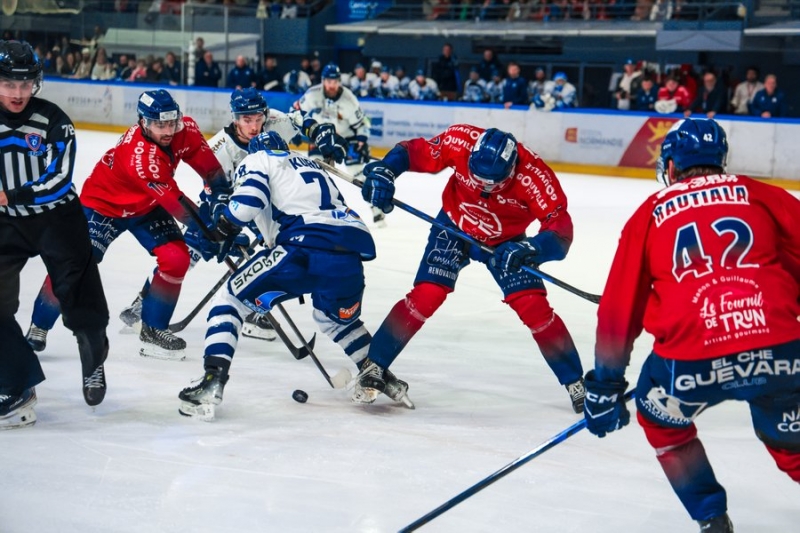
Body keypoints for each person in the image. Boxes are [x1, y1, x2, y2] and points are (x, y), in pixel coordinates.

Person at [582, 118, 800, 533]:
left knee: (661, 419)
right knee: (793, 440)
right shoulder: (763, 195)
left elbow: (617, 310)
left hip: (690, 364)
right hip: (783, 353)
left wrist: (606, 385)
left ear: (671, 165)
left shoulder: (648, 213)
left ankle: (711, 519)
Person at [177, 132, 412, 420]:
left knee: (231, 299)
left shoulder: (258, 158)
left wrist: (224, 227)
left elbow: (249, 200)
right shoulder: (308, 163)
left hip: (302, 248)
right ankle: (380, 374)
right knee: (335, 319)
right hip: (349, 252)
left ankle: (211, 382)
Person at [357, 125, 586, 411]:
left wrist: (534, 248)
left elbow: (561, 230)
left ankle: (576, 381)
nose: (482, 186)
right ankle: (375, 364)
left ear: (512, 168)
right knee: (426, 294)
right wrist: (386, 170)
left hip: (505, 243)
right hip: (453, 227)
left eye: (492, 183)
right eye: (476, 177)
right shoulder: (461, 141)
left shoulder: (535, 177)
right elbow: (415, 151)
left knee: (534, 308)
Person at [117, 87, 347, 342]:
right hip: (227, 202)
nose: (254, 126)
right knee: (190, 248)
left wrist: (320, 132)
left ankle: (254, 311)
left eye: (258, 118)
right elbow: (214, 191)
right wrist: (223, 228)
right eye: (247, 120)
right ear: (235, 118)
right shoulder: (220, 148)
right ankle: (144, 300)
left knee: (279, 250)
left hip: (269, 203)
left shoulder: (276, 121)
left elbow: (301, 119)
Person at [26, 90, 229, 361]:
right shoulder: (141, 156)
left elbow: (212, 171)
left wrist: (223, 208)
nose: (168, 130)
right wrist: (212, 232)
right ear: (144, 122)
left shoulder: (186, 129)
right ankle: (38, 326)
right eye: (160, 125)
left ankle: (154, 330)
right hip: (103, 206)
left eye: (172, 122)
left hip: (146, 205)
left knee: (177, 258)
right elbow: (178, 205)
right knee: (75, 265)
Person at [0, 40, 109, 428]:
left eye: (24, 83)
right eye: (8, 83)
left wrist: (11, 193)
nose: (17, 93)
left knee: (81, 298)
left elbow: (60, 180)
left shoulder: (54, 120)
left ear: (36, 83)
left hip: (57, 219)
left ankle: (93, 354)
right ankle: (17, 384)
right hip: (5, 221)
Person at [293, 63, 385, 226]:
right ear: (323, 81)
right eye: (329, 81)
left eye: (335, 81)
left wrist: (362, 141)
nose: (332, 85)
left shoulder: (349, 100)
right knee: (313, 173)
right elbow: (296, 111)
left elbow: (362, 124)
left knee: (358, 175)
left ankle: (376, 208)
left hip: (346, 140)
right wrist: (294, 130)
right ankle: (317, 214)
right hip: (321, 139)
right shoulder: (312, 94)